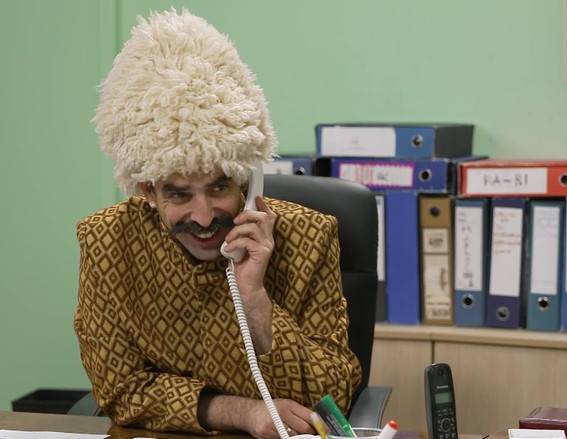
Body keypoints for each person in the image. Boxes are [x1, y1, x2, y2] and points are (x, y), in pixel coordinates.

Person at [73, 7, 362, 439]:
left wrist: (254, 297)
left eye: (219, 187)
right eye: (179, 194)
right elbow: (121, 391)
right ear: (148, 190)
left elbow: (332, 397)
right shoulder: (107, 243)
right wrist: (241, 413)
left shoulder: (309, 237)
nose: (205, 217)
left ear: (246, 178)